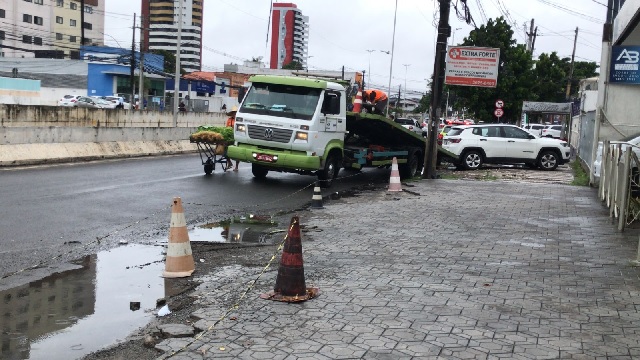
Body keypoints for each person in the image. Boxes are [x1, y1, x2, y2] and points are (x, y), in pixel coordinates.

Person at [225, 106, 240, 171]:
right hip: (229, 137)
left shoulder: (239, 120)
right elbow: (226, 128)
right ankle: (229, 162)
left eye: (235, 113)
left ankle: (236, 166)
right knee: (224, 149)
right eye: (233, 113)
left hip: (237, 137)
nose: (234, 114)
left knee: (237, 152)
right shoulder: (229, 120)